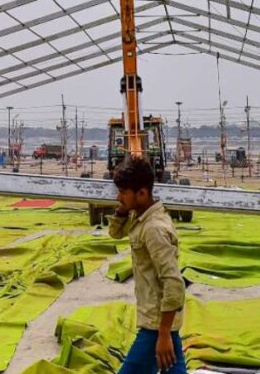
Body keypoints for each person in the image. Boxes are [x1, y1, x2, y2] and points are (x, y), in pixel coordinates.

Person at [109, 157, 187, 373]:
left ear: (142, 193)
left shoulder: (154, 229)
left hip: (155, 325)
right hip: (159, 323)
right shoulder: (139, 216)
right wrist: (123, 208)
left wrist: (162, 333)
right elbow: (115, 232)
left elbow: (173, 283)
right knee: (173, 366)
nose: (118, 196)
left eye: (123, 192)